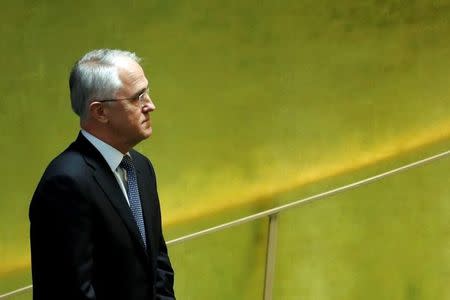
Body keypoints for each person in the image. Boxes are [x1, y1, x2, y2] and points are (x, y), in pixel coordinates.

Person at [29, 49, 175, 300]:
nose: (150, 105)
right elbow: (70, 292)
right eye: (138, 97)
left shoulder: (141, 167)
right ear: (100, 112)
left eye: (147, 92)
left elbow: (157, 264)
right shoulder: (65, 183)